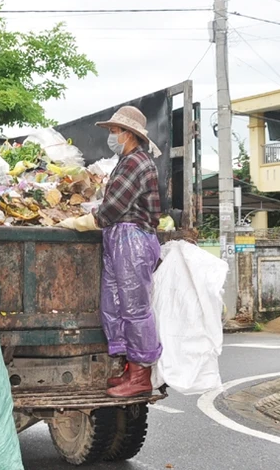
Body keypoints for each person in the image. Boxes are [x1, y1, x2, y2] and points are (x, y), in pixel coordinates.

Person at [94, 106, 164, 398]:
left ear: (129, 134)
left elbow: (113, 206)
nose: (111, 137)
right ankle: (129, 367)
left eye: (115, 131)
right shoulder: (127, 161)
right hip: (119, 237)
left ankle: (141, 376)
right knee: (114, 304)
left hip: (132, 238)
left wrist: (92, 218)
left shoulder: (136, 162)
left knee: (134, 308)